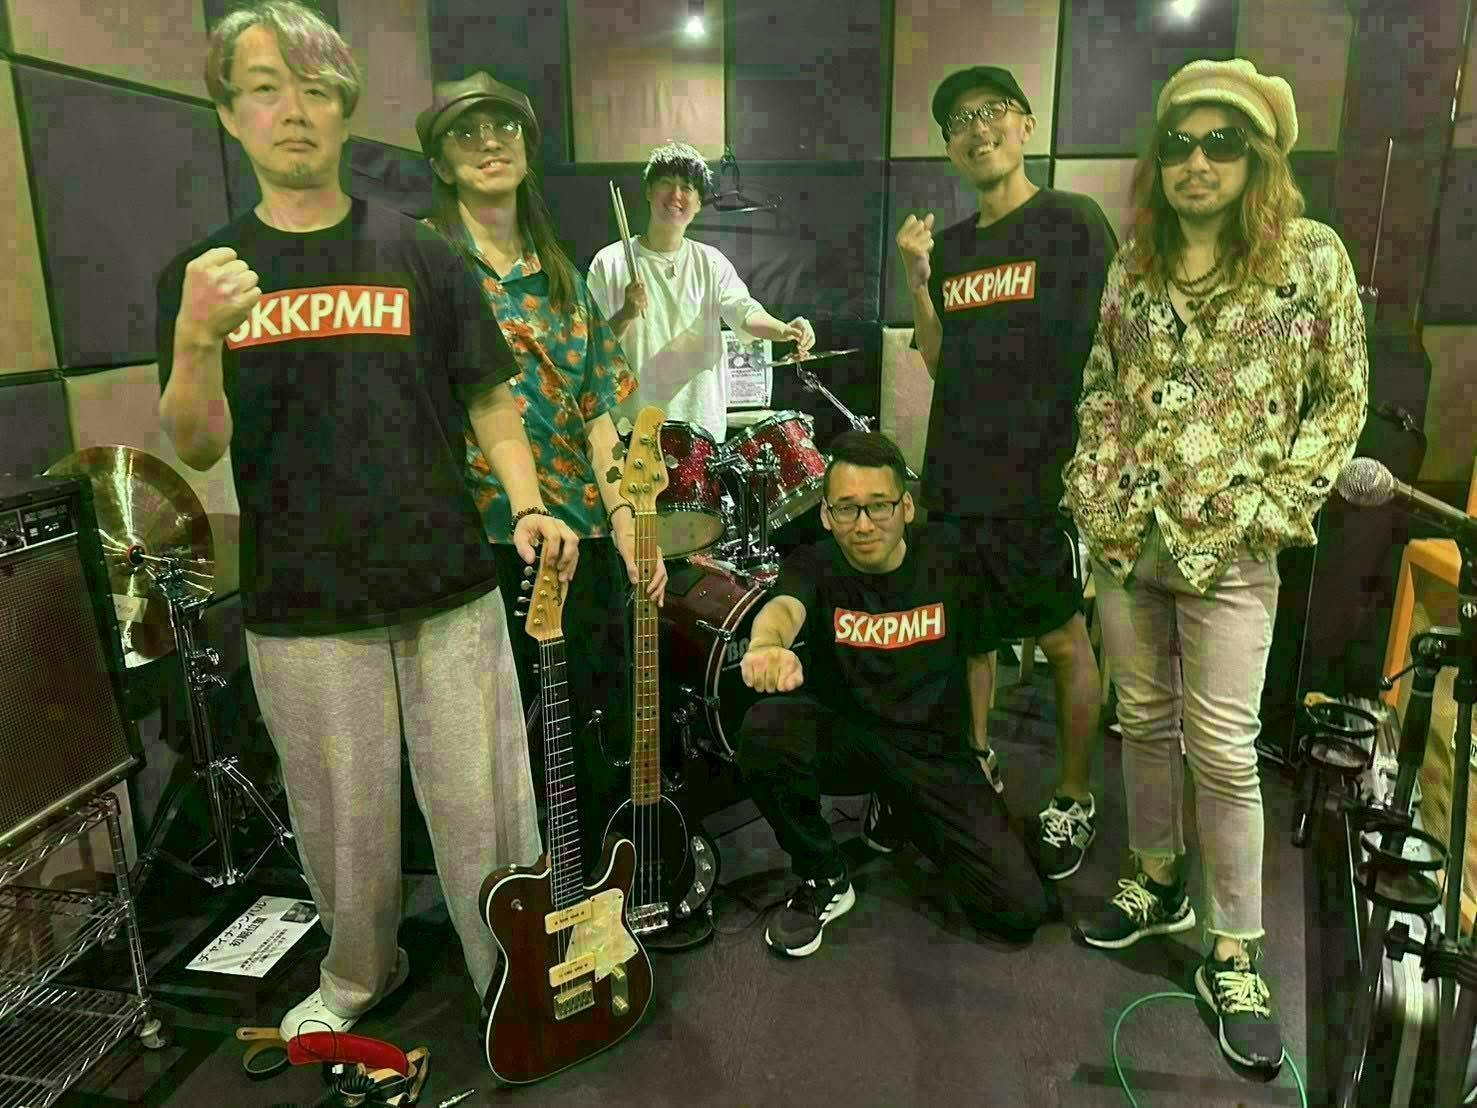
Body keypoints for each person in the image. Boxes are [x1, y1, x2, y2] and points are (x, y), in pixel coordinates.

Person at [155, 2, 577, 1039]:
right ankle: (358, 974)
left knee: (484, 802)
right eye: (265, 89)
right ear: (229, 114)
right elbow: (196, 446)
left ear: (345, 109)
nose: (293, 110)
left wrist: (527, 501)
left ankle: (507, 969)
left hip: (446, 580)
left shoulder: (420, 253)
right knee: (341, 824)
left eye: (314, 89)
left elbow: (489, 397)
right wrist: (197, 340)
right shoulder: (203, 276)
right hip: (303, 598)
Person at [1063, 58, 1367, 1072]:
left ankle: (1232, 945)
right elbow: (1102, 383)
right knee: (1142, 722)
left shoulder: (1310, 256)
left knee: (1225, 748)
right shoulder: (1135, 260)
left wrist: (1275, 508)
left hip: (1234, 546)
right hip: (1128, 538)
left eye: (1221, 143)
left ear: (1258, 157)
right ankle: (1156, 879)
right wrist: (1091, 484)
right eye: (1179, 144)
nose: (1196, 162)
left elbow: (1341, 399)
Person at [416, 73, 667, 881]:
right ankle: (504, 898)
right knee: (489, 742)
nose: (490, 143)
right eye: (466, 132)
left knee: (583, 728)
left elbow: (600, 417)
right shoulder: (421, 264)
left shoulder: (563, 279)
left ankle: (583, 892)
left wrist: (629, 529)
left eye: (506, 128)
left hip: (578, 538)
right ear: (440, 161)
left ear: (528, 149)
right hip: (474, 544)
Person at [893, 66, 1114, 881]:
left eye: (990, 111)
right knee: (968, 640)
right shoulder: (949, 249)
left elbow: (1113, 343)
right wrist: (919, 286)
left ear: (1023, 123)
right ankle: (976, 765)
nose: (976, 128)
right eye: (958, 120)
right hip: (957, 475)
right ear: (948, 146)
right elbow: (939, 361)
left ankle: (1073, 795)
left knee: (1061, 638)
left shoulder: (1070, 223)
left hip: (1042, 479)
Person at [734, 431, 1052, 957]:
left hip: (932, 750)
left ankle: (897, 806)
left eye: (878, 506)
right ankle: (823, 874)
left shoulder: (949, 557)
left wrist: (979, 749)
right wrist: (767, 645)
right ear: (827, 515)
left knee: (1018, 909)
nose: (863, 525)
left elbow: (980, 658)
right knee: (765, 730)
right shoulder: (814, 563)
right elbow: (784, 608)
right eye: (847, 508)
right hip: (852, 737)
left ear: (905, 507)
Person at [587, 140, 816, 445]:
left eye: (687, 188)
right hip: (632, 429)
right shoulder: (610, 262)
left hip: (700, 431)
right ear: (649, 191)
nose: (676, 195)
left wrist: (784, 329)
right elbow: (591, 349)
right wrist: (626, 314)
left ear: (697, 203)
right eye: (666, 183)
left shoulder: (710, 262)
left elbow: (745, 313)